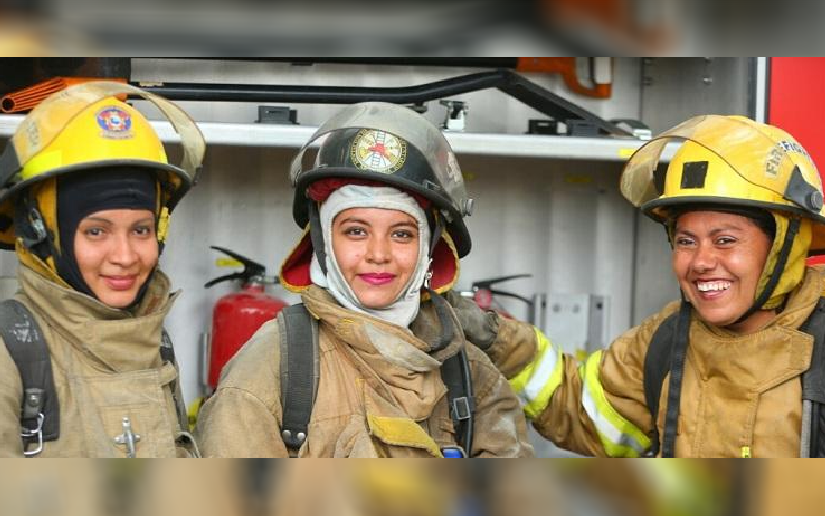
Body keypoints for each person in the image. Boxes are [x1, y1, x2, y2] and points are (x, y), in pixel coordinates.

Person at [462, 114, 825, 457]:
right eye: (686, 241)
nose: (700, 261)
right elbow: (584, 409)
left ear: (785, 244)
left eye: (725, 240)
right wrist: (496, 339)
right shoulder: (667, 339)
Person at [195, 101, 533, 457]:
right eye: (356, 231)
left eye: (402, 234)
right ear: (324, 242)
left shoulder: (468, 372)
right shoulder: (269, 371)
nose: (378, 254)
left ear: (429, 248)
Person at [0, 82, 205, 457]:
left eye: (140, 230)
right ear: (40, 231)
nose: (125, 257)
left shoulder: (154, 342)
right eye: (96, 231)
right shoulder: (10, 353)